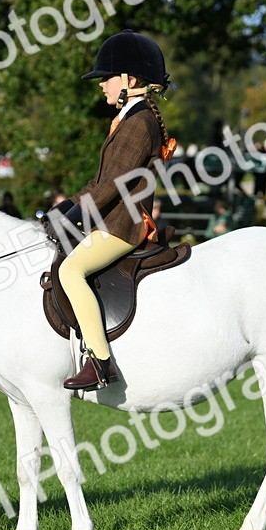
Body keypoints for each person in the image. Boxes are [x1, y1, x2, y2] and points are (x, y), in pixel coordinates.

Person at [48, 30, 171, 391]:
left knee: (71, 271)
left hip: (123, 226)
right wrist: (64, 208)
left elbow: (112, 185)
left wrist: (73, 217)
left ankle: (100, 361)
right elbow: (98, 180)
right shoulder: (129, 119)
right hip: (111, 218)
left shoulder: (139, 124)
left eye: (107, 78)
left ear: (130, 80)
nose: (102, 85)